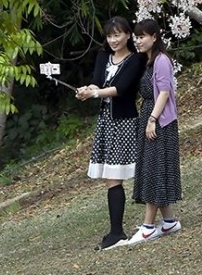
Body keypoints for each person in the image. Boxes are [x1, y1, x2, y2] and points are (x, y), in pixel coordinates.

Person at [76, 15, 146, 250]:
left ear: (128, 35)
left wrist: (95, 94)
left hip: (125, 122)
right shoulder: (103, 56)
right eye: (110, 35)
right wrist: (88, 90)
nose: (114, 39)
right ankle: (116, 231)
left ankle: (124, 230)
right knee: (110, 177)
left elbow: (121, 89)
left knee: (119, 174)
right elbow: (97, 82)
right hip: (106, 121)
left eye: (118, 34)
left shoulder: (136, 60)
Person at [128, 17, 183, 244]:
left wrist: (152, 119)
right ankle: (169, 221)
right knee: (153, 167)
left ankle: (148, 226)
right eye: (136, 37)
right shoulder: (147, 60)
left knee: (154, 169)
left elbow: (164, 92)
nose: (138, 41)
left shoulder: (161, 60)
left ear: (154, 37)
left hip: (159, 119)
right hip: (149, 115)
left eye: (142, 37)